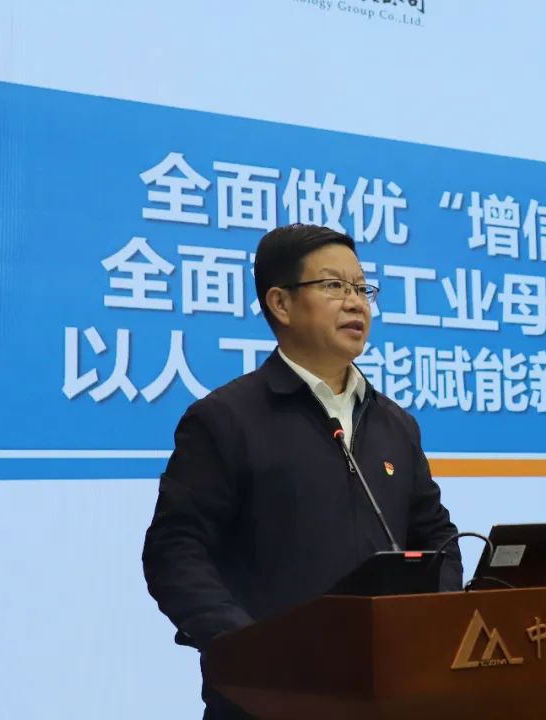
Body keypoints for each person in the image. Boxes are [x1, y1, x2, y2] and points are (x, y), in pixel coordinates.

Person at [142, 223, 463, 719]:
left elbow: (437, 537)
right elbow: (175, 552)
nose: (356, 303)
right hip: (268, 699)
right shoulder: (226, 419)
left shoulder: (395, 424)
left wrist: (438, 626)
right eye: (334, 285)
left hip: (388, 692)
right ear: (281, 303)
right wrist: (249, 646)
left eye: (362, 289)